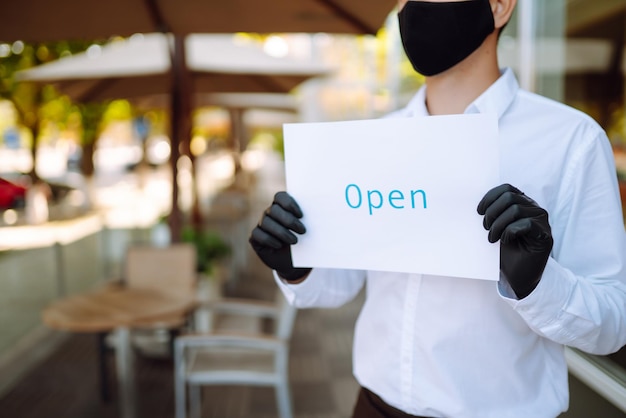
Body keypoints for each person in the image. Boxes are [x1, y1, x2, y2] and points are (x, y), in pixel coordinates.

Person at [249, 0, 626, 416]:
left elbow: (613, 325)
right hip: (373, 406)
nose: (411, 7)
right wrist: (295, 263)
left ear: (499, 7)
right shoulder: (375, 140)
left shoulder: (571, 141)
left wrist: (539, 282)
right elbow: (340, 284)